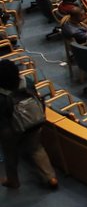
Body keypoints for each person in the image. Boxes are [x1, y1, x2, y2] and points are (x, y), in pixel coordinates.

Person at [0, 58, 58, 190]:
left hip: (11, 128)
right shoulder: (27, 82)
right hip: (34, 120)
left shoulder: (1, 95)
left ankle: (13, 181)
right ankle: (50, 178)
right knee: (36, 148)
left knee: (10, 155)